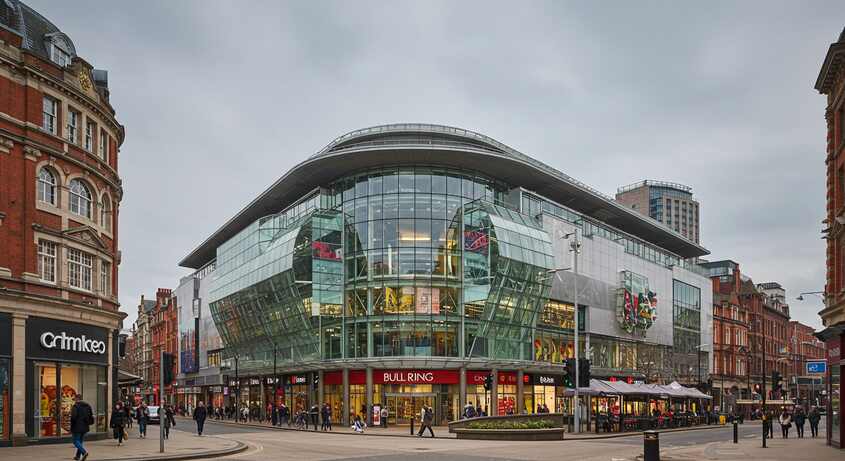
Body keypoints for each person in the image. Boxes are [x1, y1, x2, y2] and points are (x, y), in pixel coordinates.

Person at [70, 394, 94, 461]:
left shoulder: (75, 406)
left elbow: (73, 417)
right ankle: (77, 456)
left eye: (75, 399)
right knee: (80, 442)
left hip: (77, 427)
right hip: (85, 426)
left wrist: (72, 426)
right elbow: (90, 415)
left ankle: (84, 452)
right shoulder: (88, 406)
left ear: (77, 399)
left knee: (75, 441)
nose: (74, 400)